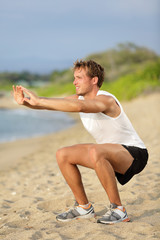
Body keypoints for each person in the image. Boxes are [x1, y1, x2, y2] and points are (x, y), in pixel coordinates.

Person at [12, 60, 148, 224]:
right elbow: (51, 104)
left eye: (79, 78)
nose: (74, 82)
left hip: (135, 154)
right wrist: (27, 102)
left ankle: (118, 210)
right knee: (63, 154)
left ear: (94, 80)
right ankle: (84, 207)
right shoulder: (79, 99)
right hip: (107, 153)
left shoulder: (106, 100)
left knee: (96, 150)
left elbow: (80, 107)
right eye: (74, 78)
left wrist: (39, 101)